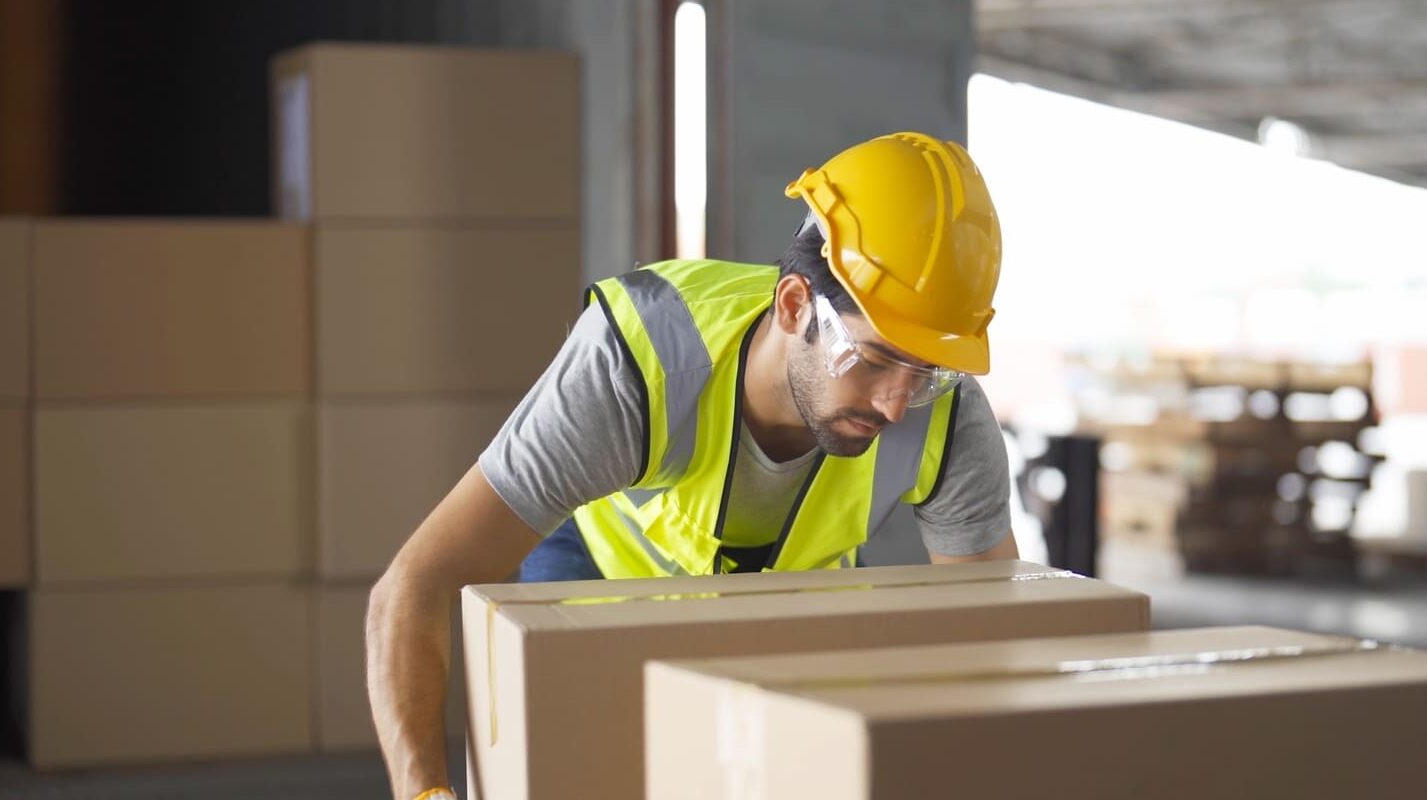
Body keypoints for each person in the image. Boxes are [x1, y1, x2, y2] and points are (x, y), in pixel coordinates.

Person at [366, 132, 1014, 800]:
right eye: (873, 359)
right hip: (601, 571)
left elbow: (992, 639)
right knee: (584, 772)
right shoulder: (637, 360)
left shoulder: (947, 414)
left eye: (926, 371)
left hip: (790, 599)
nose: (897, 403)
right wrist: (425, 794)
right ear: (794, 305)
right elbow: (414, 586)